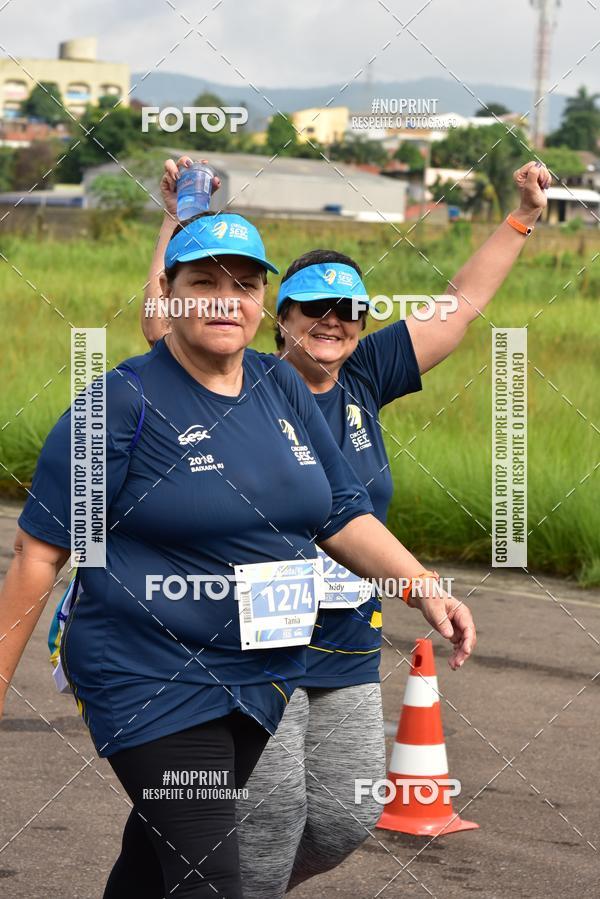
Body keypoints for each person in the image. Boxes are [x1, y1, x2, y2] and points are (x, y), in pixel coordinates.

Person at [0, 212, 475, 899]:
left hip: (259, 677)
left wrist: (424, 586)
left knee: (155, 863)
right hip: (149, 674)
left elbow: (342, 511)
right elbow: (38, 555)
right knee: (212, 876)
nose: (226, 300)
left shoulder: (280, 385)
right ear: (168, 294)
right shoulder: (119, 403)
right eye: (204, 283)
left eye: (245, 285)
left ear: (262, 302)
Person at [140, 157, 547, 897]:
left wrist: (521, 218)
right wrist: (180, 215)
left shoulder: (365, 375)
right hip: (254, 640)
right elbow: (168, 318)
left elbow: (461, 302)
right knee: (268, 817)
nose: (332, 322)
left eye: (349, 310)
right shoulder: (236, 375)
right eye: (313, 308)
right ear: (280, 317)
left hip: (347, 639)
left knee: (342, 818)